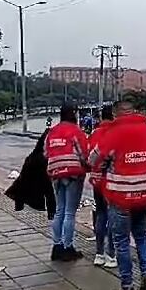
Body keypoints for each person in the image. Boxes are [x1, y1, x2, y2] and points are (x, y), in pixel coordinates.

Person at [89, 101, 146, 290]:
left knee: (121, 242)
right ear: (135, 111)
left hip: (120, 197)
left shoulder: (113, 133)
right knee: (141, 235)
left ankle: (127, 289)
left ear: (116, 114)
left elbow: (94, 159)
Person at [45, 104, 89, 261]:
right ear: (74, 114)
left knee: (59, 210)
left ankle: (56, 246)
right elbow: (84, 154)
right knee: (70, 212)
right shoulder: (76, 131)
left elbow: (46, 152)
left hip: (55, 173)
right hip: (72, 174)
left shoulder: (52, 132)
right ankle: (68, 247)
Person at [88, 105, 117, 268]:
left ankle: (99, 254)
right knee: (113, 216)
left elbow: (88, 155)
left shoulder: (95, 133)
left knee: (100, 214)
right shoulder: (116, 133)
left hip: (97, 181)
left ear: (100, 117)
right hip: (112, 181)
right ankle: (111, 255)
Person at [5, 128, 56, 220]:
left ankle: (20, 205)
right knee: (48, 189)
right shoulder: (49, 140)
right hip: (40, 162)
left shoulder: (35, 154)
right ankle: (51, 214)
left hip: (36, 160)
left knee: (25, 181)